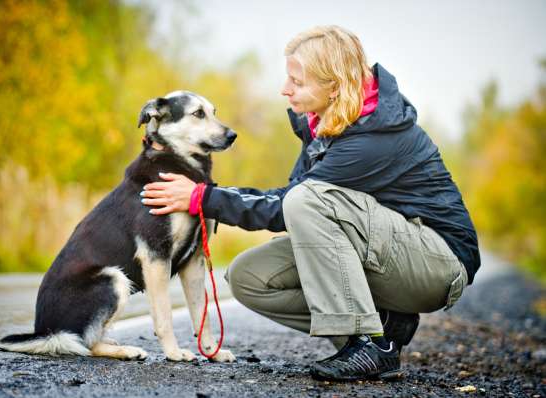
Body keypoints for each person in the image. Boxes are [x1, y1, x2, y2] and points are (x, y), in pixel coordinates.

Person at [139, 25, 480, 382]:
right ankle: (384, 325)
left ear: (333, 86)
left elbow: (293, 204)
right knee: (249, 277)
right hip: (387, 253)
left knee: (305, 200)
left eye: (297, 82)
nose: (285, 89)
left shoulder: (375, 137)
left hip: (438, 263)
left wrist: (203, 198)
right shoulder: (325, 126)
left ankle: (369, 348)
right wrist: (208, 197)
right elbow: (292, 197)